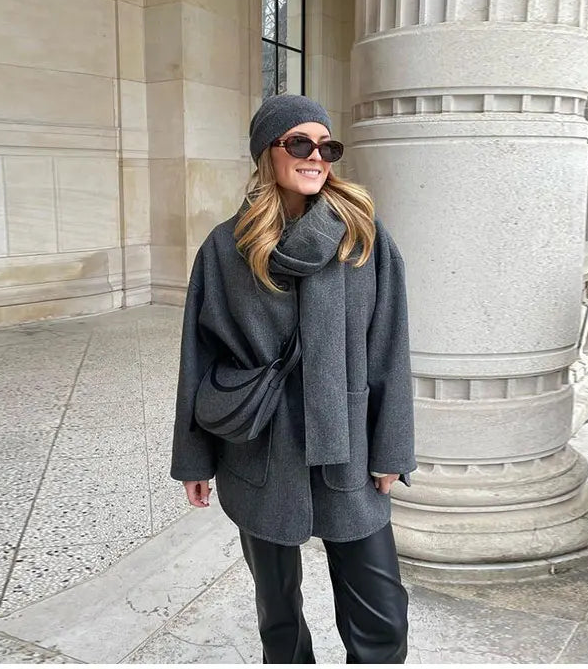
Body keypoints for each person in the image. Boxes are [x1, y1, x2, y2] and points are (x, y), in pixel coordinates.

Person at [170, 94, 416, 664]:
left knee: (382, 615)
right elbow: (198, 357)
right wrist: (194, 459)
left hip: (347, 444)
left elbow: (389, 349)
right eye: (300, 143)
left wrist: (392, 450)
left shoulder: (363, 238)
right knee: (277, 614)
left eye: (327, 146)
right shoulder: (225, 246)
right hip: (259, 443)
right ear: (268, 152)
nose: (316, 157)